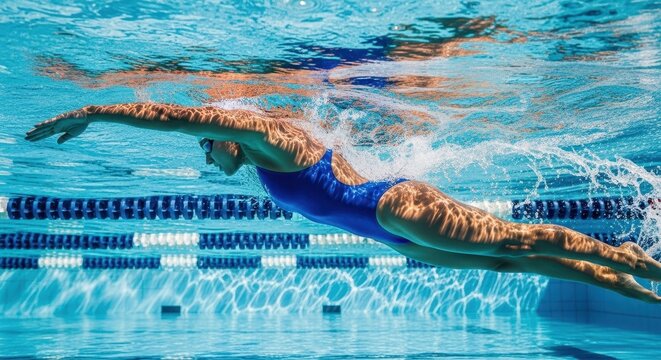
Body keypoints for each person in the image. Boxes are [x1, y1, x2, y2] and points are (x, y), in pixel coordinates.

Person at [25, 102, 661, 303]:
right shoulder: (262, 159)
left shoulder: (270, 140)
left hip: (396, 210)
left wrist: (90, 115)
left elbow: (169, 115)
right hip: (391, 233)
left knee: (514, 241)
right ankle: (613, 274)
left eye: (204, 146)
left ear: (226, 135)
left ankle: (624, 252)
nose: (204, 158)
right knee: (505, 264)